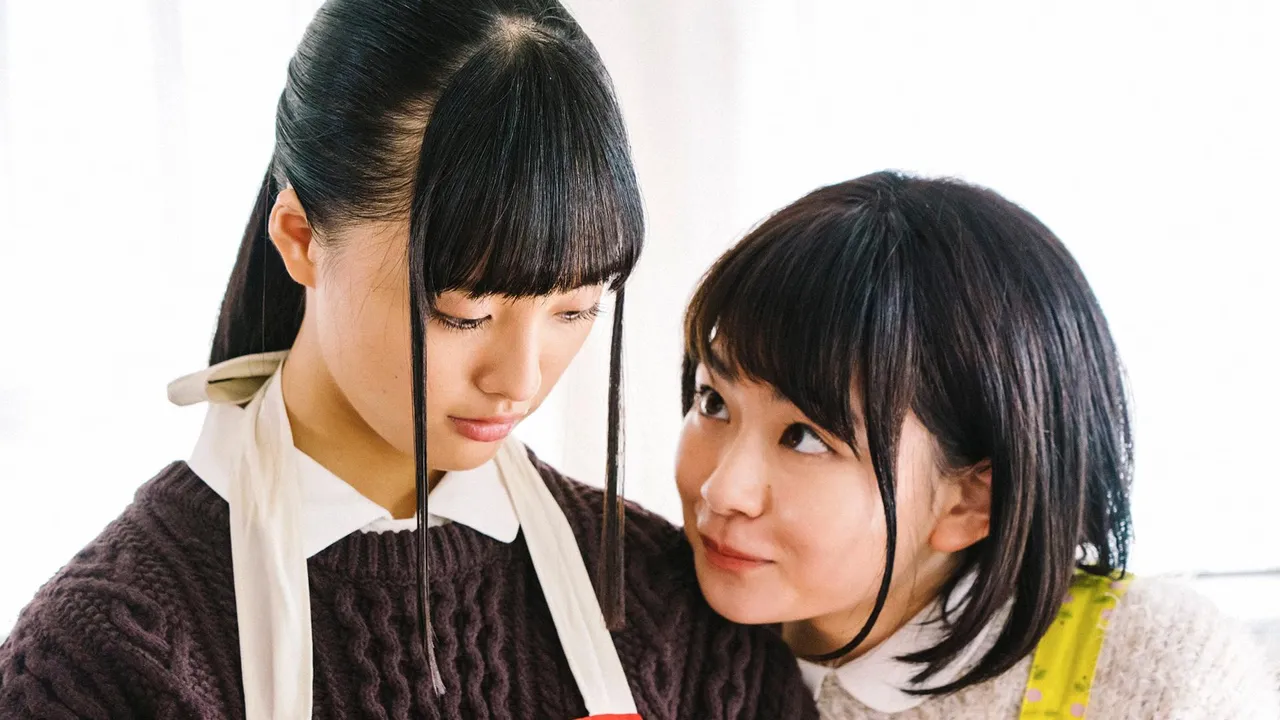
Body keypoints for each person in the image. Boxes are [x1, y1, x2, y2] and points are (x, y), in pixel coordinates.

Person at [0, 2, 815, 718]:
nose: (521, 380)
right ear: (301, 238)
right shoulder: (106, 661)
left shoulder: (670, 610)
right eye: (466, 313)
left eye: (574, 310)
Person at [675, 171, 1280, 718]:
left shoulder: (1149, 671)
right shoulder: (653, 624)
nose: (722, 490)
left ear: (970, 501)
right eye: (713, 402)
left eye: (805, 438)